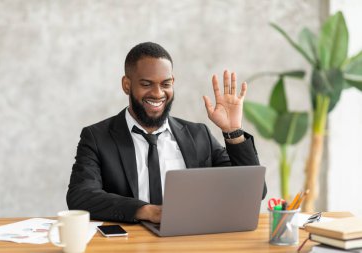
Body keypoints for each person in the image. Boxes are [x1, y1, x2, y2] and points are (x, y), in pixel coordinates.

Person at [67, 42, 267, 223]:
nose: (157, 93)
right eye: (146, 84)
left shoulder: (198, 135)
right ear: (126, 85)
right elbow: (81, 195)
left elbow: (252, 191)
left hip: (188, 241)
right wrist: (148, 211)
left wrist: (233, 132)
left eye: (165, 84)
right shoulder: (97, 137)